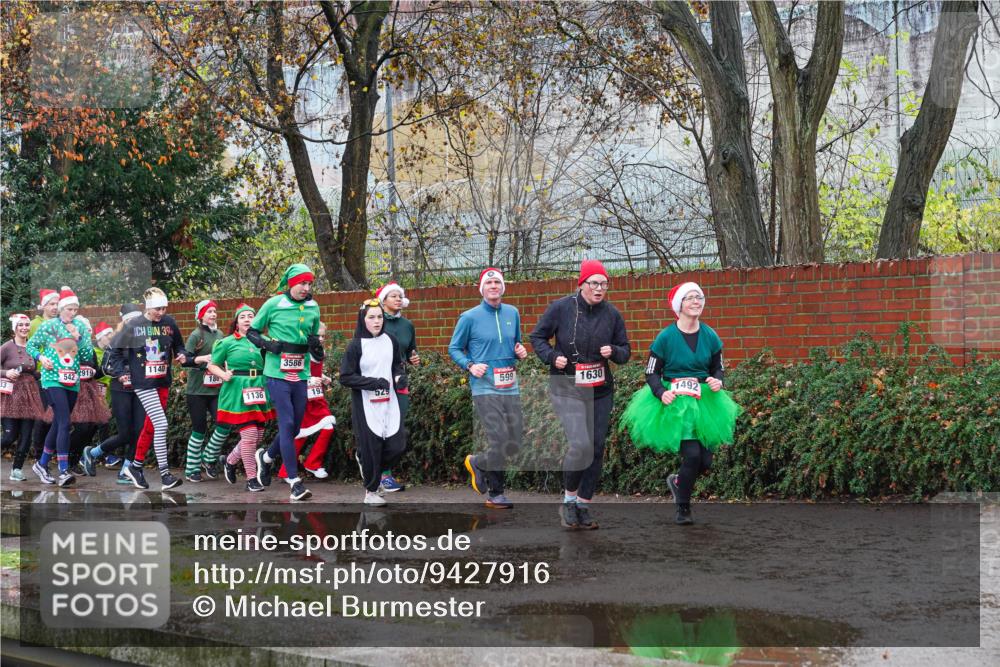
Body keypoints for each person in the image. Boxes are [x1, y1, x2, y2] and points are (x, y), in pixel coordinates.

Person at [620, 281, 741, 525]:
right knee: (693, 455)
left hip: (705, 401)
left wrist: (718, 381)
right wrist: (660, 392)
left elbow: (719, 368)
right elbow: (651, 372)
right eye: (691, 298)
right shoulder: (665, 337)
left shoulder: (710, 335)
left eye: (700, 297)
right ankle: (683, 508)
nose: (697, 302)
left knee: (706, 460)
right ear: (680, 306)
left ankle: (677, 483)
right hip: (675, 401)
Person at [530, 259, 631, 530]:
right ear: (582, 284)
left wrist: (615, 352)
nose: (599, 289)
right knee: (580, 445)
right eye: (594, 283)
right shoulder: (561, 308)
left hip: (600, 390)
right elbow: (537, 337)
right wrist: (552, 357)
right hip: (567, 387)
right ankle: (568, 501)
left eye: (604, 284)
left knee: (596, 447)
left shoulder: (612, 314)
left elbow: (625, 351)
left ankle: (583, 505)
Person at [449, 268, 528, 509]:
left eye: (497, 282)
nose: (494, 286)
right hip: (485, 388)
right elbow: (454, 348)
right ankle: (496, 493)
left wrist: (521, 351)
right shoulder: (469, 317)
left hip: (510, 386)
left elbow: (516, 343)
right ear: (481, 288)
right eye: (489, 282)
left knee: (514, 441)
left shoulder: (512, 313)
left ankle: (478, 462)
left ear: (503, 287)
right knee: (499, 439)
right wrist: (470, 365)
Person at [247, 263, 323, 502]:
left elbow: (315, 346)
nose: (306, 288)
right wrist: (268, 344)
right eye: (302, 283)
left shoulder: (313, 306)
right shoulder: (273, 304)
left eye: (309, 283)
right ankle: (294, 482)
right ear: (291, 283)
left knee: (296, 427)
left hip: (300, 374)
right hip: (276, 373)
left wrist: (316, 346)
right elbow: (252, 332)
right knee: (287, 422)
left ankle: (266, 458)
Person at [106, 287, 188, 490]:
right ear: (148, 307)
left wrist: (182, 354)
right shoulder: (133, 325)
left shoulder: (169, 323)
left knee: (151, 426)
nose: (161, 313)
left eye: (164, 308)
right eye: (157, 309)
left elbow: (179, 345)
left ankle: (135, 467)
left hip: (163, 381)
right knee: (161, 425)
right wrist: (121, 372)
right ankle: (165, 475)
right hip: (142, 383)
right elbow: (113, 353)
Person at [339, 299, 408, 506]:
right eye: (371, 317)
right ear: (363, 319)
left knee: (398, 445)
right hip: (366, 405)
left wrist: (398, 377)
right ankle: (371, 491)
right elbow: (345, 377)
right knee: (372, 448)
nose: (377, 321)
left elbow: (397, 365)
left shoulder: (390, 340)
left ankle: (371, 467)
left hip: (390, 402)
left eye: (379, 317)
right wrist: (372, 383)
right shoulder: (355, 346)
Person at [25, 286, 95, 486]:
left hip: (72, 380)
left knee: (58, 423)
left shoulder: (79, 327)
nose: (73, 313)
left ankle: (41, 464)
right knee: (65, 423)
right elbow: (31, 345)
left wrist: (79, 338)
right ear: (62, 309)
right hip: (52, 379)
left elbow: (86, 357)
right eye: (69, 309)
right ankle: (63, 470)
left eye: (75, 309)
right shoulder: (49, 326)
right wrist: (41, 357)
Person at [207, 304, 275, 493]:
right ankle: (251, 479)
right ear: (236, 322)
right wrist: (223, 374)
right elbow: (213, 365)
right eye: (243, 316)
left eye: (251, 316)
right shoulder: (227, 342)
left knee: (257, 436)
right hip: (238, 388)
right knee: (250, 435)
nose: (247, 319)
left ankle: (229, 461)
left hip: (259, 386)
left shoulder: (263, 340)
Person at [84, 304, 146, 483]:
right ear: (124, 321)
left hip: (141, 389)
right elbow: (106, 366)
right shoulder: (117, 340)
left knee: (140, 430)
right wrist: (121, 374)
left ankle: (126, 470)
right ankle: (93, 452)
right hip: (121, 390)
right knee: (126, 433)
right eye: (130, 320)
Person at [276, 322, 335, 481]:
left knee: (328, 427)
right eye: (318, 336)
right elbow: (294, 374)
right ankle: (286, 471)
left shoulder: (319, 350)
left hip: (316, 397)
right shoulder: (300, 350)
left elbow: (315, 371)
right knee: (299, 434)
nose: (321, 339)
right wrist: (309, 380)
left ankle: (313, 463)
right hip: (302, 397)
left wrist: (322, 378)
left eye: (323, 336)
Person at [375, 281, 419, 492]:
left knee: (397, 429)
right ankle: (380, 472)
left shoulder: (407, 326)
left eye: (400, 296)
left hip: (399, 380)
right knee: (380, 427)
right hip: (377, 380)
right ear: (383, 300)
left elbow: (411, 352)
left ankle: (386, 472)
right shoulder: (375, 321)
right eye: (393, 296)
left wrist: (414, 358)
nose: (398, 299)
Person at [182, 299, 230, 482]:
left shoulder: (220, 334)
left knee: (224, 423)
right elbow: (185, 359)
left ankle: (208, 458)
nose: (213, 314)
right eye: (209, 311)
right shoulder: (196, 335)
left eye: (214, 311)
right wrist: (202, 359)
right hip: (197, 391)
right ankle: (192, 469)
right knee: (199, 429)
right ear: (201, 315)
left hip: (216, 389)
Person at [2, 313, 45, 481]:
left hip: (29, 396)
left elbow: (33, 372)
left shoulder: (33, 346)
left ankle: (17, 470)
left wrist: (47, 372)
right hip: (10, 396)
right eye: (20, 325)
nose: (24, 328)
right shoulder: (6, 347)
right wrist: (6, 372)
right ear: (15, 328)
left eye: (27, 325)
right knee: (9, 436)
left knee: (26, 435)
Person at [28, 289, 59, 459]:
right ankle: (39, 453)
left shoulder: (62, 324)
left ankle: (49, 450)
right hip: (40, 377)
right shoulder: (34, 324)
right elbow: (25, 348)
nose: (55, 307)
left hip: (59, 376)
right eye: (51, 304)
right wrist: (34, 369)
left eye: (57, 304)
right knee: (42, 415)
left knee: (55, 415)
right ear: (43, 306)